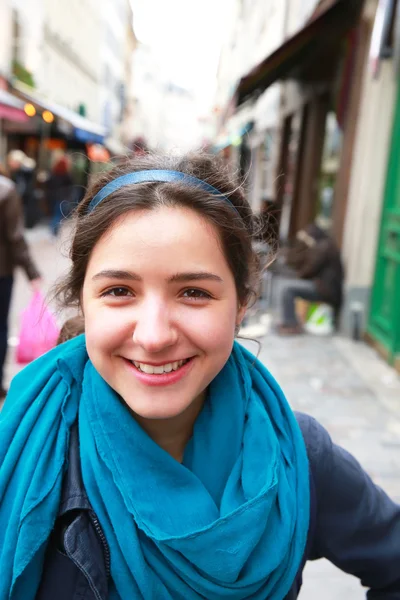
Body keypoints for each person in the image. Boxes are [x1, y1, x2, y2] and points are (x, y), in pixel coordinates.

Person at [0, 153, 399, 600]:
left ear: (242, 303)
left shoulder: (300, 456)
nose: (153, 337)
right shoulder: (23, 446)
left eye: (194, 292)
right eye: (119, 292)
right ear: (82, 300)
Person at [0, 166, 41, 400]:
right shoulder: (5, 190)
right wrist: (31, 271)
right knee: (0, 327)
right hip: (2, 271)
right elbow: (15, 236)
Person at [277, 223, 344, 335]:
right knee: (290, 289)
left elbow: (310, 268)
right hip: (327, 288)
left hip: (326, 290)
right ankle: (291, 323)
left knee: (288, 290)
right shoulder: (326, 245)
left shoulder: (323, 247)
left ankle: (291, 325)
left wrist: (305, 244)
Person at [7, 149, 39, 229]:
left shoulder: (23, 171)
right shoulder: (23, 170)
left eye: (11, 161)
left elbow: (22, 187)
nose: (9, 163)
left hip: (24, 199)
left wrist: (16, 196)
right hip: (25, 198)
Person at [46, 155, 75, 236]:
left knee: (54, 214)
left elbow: (48, 185)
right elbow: (70, 187)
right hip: (62, 198)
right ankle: (55, 230)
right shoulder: (67, 175)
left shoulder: (53, 173)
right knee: (58, 215)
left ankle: (53, 230)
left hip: (53, 197)